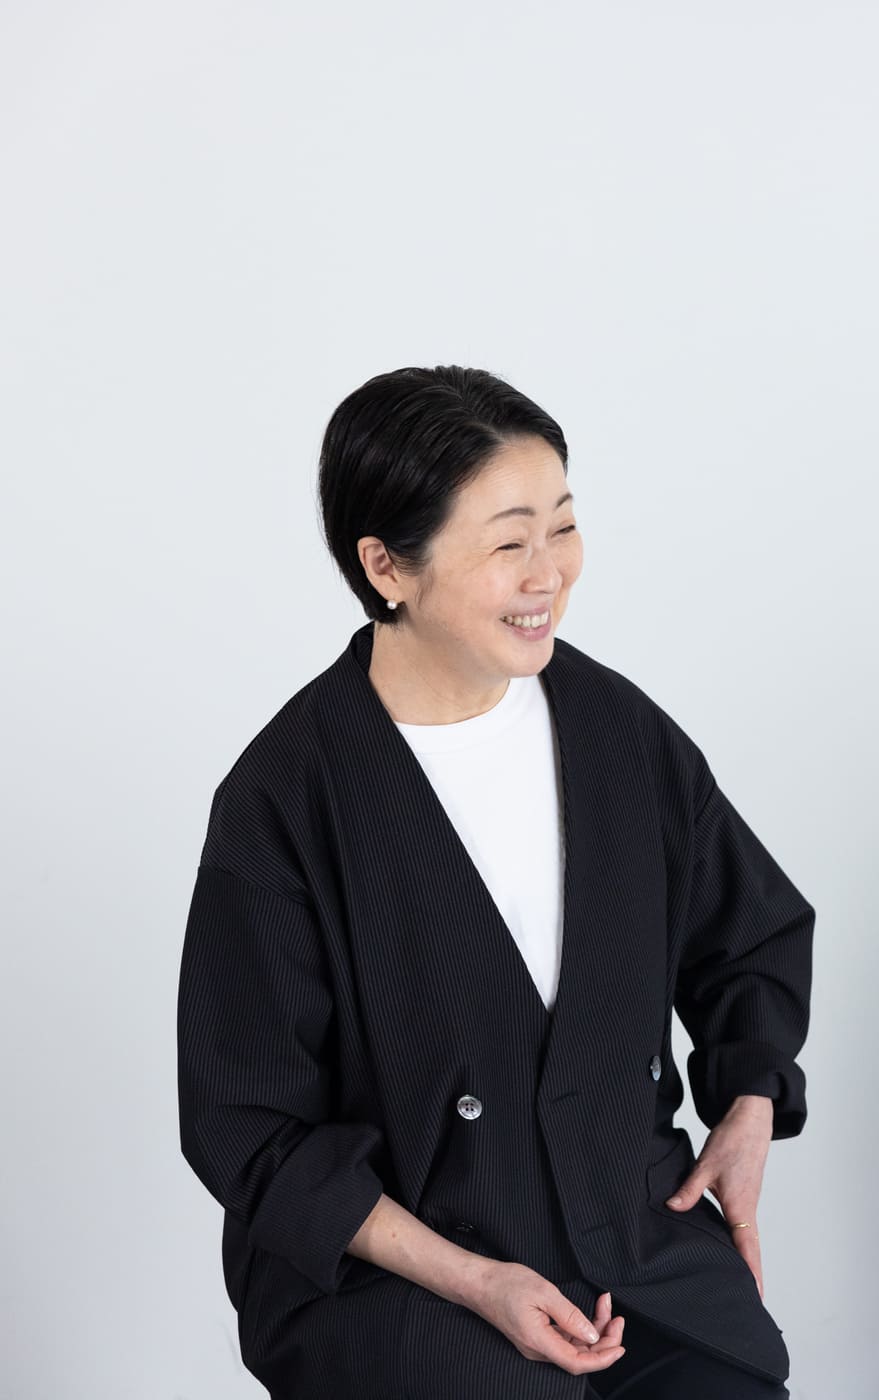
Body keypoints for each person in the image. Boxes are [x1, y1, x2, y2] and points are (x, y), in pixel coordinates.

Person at [176, 365, 815, 1400]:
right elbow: (249, 1122)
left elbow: (747, 933)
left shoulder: (617, 732)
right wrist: (474, 1279)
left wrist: (748, 1105)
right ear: (387, 565)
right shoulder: (287, 796)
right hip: (396, 1279)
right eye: (508, 543)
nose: (549, 573)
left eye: (563, 526)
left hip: (629, 1238)